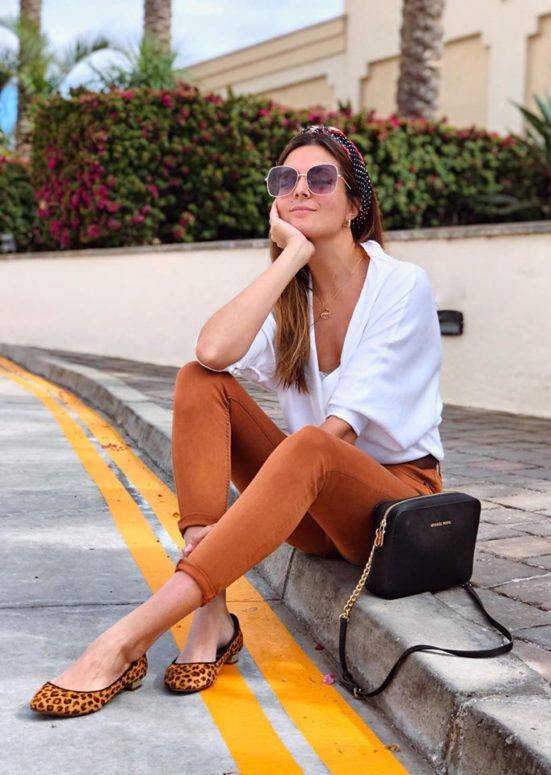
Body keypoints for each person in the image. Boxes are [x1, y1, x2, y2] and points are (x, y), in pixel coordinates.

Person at [30, 124, 444, 717]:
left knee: (311, 444)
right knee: (199, 381)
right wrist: (290, 259)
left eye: (320, 178)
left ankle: (126, 639)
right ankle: (211, 614)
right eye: (286, 179)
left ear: (356, 204)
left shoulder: (402, 286)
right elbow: (212, 352)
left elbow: (341, 432)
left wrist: (264, 498)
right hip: (313, 510)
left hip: (388, 509)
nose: (301, 189)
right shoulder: (294, 296)